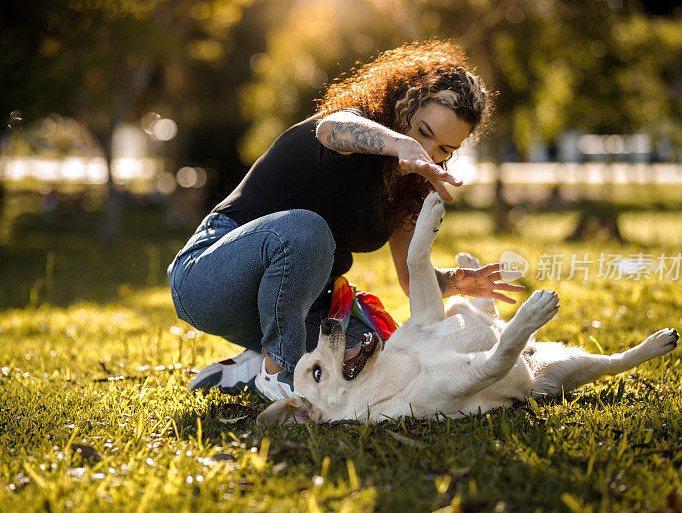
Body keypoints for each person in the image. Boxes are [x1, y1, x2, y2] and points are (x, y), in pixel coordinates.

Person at [167, 39, 524, 401]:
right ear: (404, 103)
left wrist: (455, 281)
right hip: (207, 279)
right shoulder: (352, 128)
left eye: (444, 150)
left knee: (378, 355)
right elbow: (330, 128)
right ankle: (280, 371)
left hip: (292, 305)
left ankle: (251, 367)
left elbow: (408, 277)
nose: (428, 152)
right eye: (423, 132)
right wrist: (401, 145)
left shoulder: (407, 191)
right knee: (308, 230)